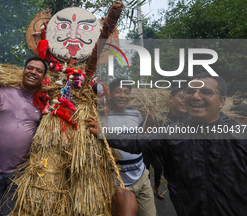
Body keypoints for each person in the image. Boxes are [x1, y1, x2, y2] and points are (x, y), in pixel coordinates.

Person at [89, 73, 247, 216]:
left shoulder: (240, 135)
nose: (195, 97)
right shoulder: (173, 133)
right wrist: (104, 134)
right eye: (190, 91)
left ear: (222, 101)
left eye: (206, 92)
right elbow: (136, 140)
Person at [0, 56, 47, 216]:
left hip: (20, 172)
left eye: (39, 71)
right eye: (30, 68)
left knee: (11, 213)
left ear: (43, 77)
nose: (33, 72)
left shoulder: (44, 102)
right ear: (24, 70)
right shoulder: (4, 92)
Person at [87, 78, 156, 216]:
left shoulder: (136, 113)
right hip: (115, 183)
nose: (123, 95)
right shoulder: (100, 116)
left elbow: (141, 137)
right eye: (118, 91)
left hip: (141, 178)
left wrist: (150, 121)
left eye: (126, 92)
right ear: (110, 94)